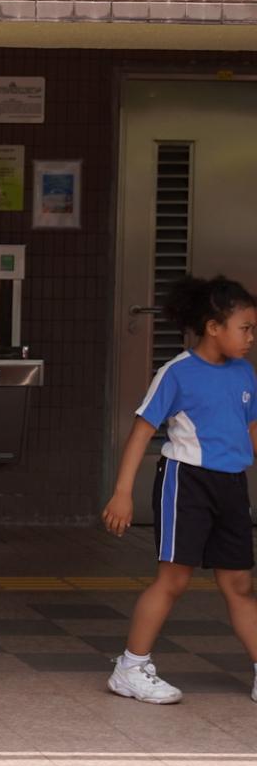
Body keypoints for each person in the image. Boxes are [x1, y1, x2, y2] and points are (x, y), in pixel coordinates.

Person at [101, 276, 257, 705]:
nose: (250, 338)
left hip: (232, 486)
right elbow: (141, 431)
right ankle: (131, 667)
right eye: (245, 328)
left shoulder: (245, 373)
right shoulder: (176, 373)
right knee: (173, 579)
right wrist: (122, 493)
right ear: (213, 327)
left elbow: (250, 429)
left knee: (239, 583)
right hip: (186, 482)